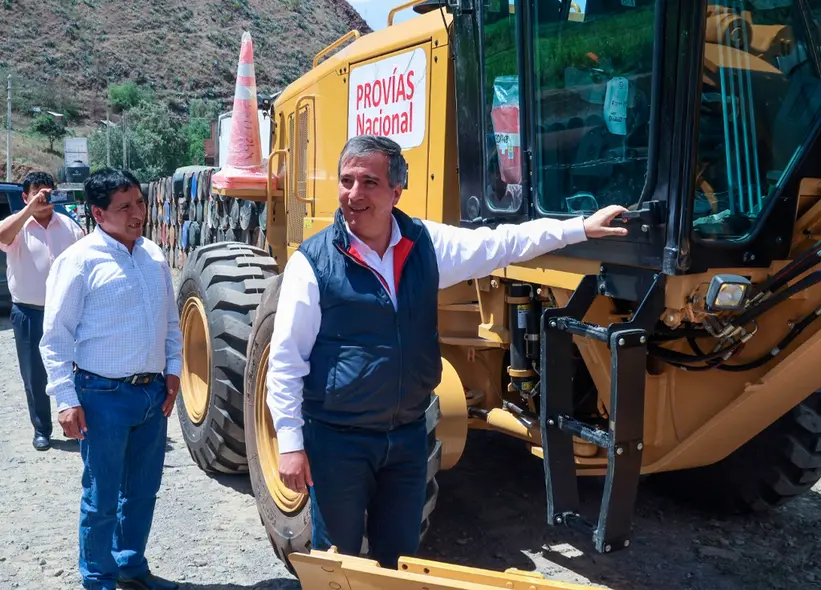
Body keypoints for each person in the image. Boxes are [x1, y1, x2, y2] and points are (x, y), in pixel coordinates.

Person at [266, 134, 629, 569]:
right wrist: (290, 443)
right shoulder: (313, 263)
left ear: (396, 191)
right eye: (346, 181)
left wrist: (579, 229)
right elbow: (287, 361)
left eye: (369, 182)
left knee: (401, 561)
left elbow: (502, 243)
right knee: (337, 561)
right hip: (338, 442)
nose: (354, 194)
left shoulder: (426, 245)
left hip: (406, 439)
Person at [39, 169, 181, 590]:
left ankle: (131, 566)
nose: (138, 213)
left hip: (150, 394)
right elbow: (56, 337)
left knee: (142, 491)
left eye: (139, 202)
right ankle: (98, 578)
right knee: (101, 497)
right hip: (101, 396)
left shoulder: (154, 256)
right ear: (98, 214)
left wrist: (172, 373)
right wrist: (65, 398)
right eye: (125, 207)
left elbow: (171, 324)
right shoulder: (79, 261)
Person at [0, 170, 85, 451]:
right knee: (34, 374)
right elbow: (2, 235)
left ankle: (79, 422)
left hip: (67, 312)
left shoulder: (71, 227)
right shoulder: (17, 226)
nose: (43, 195)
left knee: (77, 369)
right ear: (25, 196)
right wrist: (28, 210)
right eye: (37, 190)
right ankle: (42, 429)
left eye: (47, 189)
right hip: (29, 312)